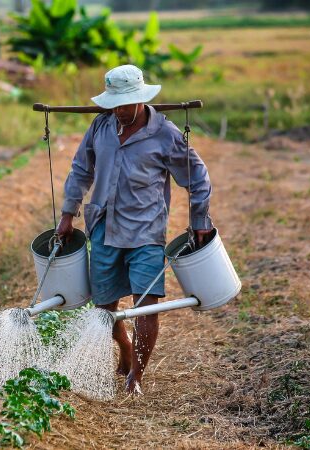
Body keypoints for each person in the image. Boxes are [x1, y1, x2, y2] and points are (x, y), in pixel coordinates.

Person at [55, 64, 213, 395]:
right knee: (104, 309)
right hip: (104, 227)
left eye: (126, 104)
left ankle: (135, 378)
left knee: (146, 304)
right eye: (115, 104)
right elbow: (81, 170)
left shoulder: (165, 135)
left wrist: (199, 220)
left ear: (141, 100)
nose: (120, 111)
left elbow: (197, 177)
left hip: (146, 232)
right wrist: (68, 214)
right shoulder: (100, 126)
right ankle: (125, 347)